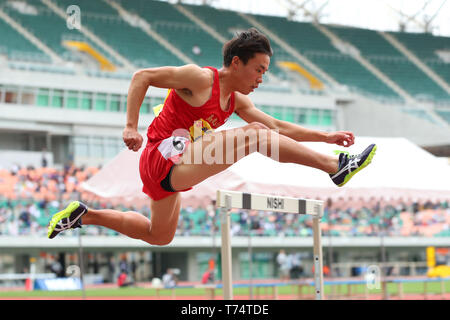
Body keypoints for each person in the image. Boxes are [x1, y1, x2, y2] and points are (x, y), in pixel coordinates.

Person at [47, 28, 376, 245]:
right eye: (259, 69)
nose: (262, 77)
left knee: (159, 235)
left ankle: (83, 215)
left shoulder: (236, 101)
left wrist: (326, 135)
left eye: (266, 71)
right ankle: (336, 168)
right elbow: (142, 76)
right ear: (236, 63)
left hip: (177, 165)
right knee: (255, 135)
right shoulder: (200, 79)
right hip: (163, 156)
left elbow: (279, 128)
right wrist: (131, 125)